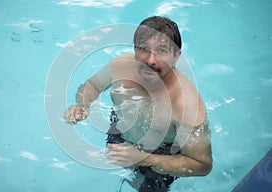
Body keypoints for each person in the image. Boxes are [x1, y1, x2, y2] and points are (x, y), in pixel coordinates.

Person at [64, 16, 212, 191]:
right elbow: (92, 85)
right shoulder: (119, 67)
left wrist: (145, 159)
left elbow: (202, 165)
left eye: (162, 50)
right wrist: (82, 105)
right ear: (134, 49)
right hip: (119, 132)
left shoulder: (186, 103)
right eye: (143, 49)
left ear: (176, 56)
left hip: (160, 155)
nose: (150, 60)